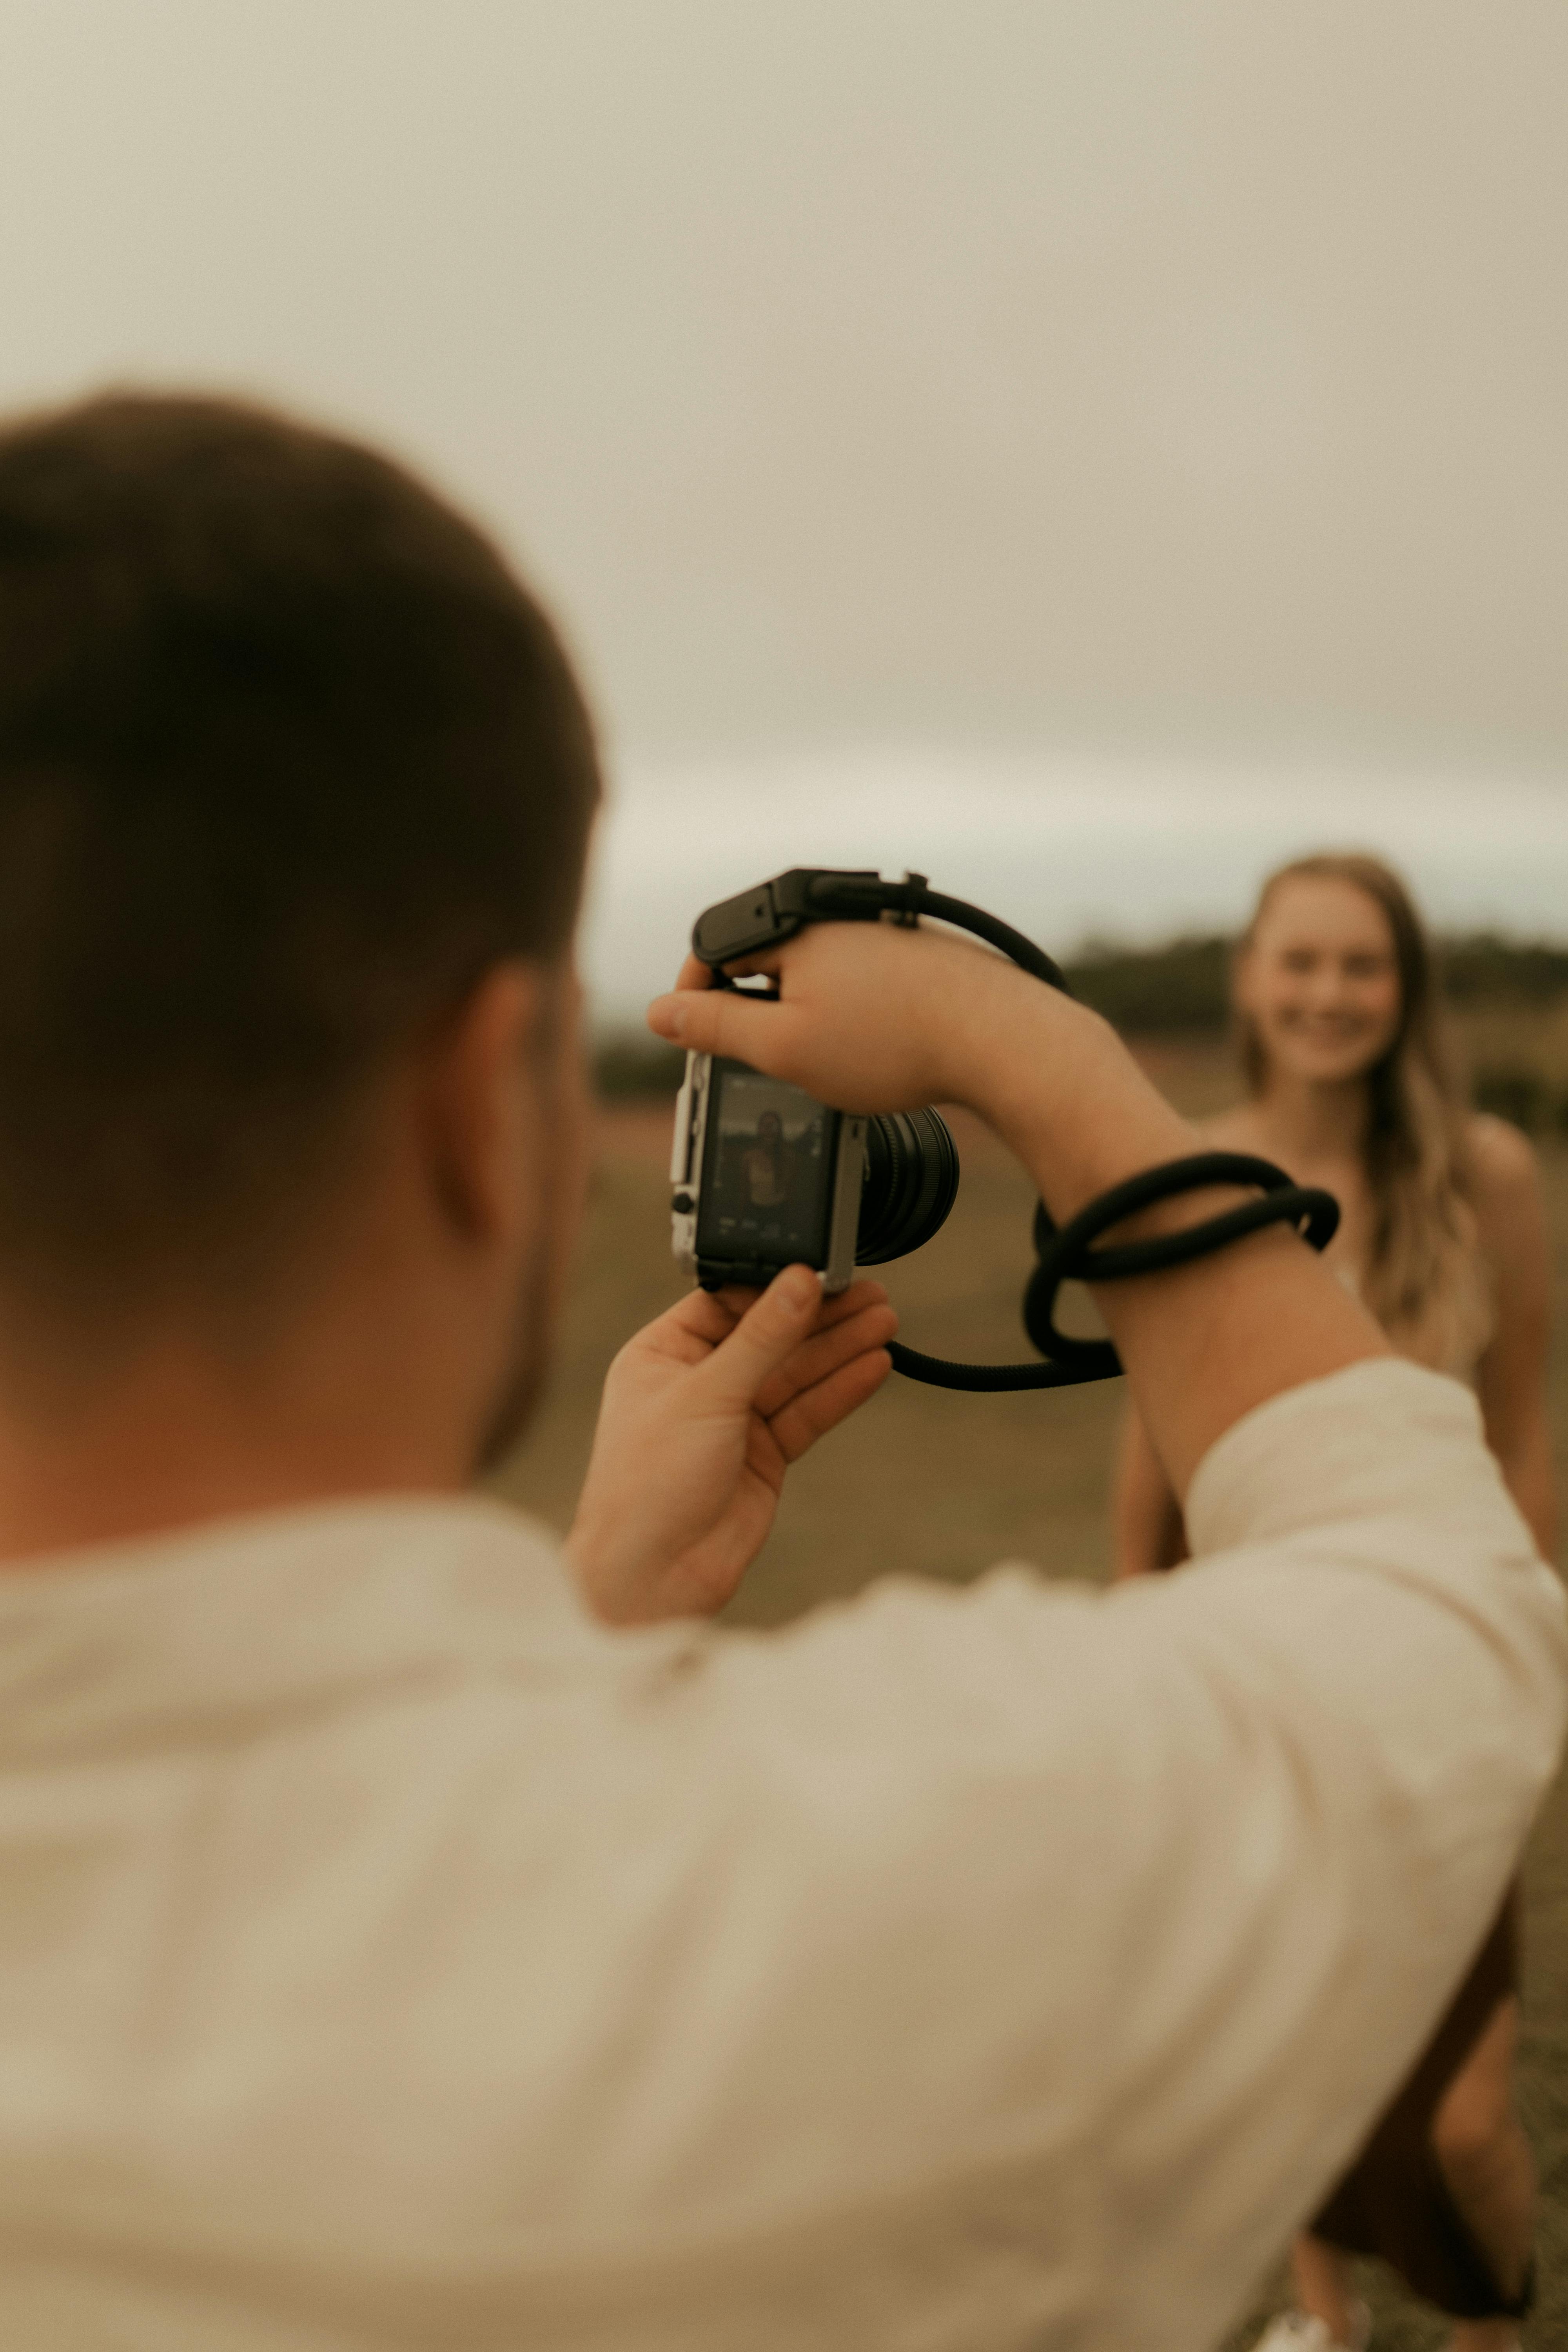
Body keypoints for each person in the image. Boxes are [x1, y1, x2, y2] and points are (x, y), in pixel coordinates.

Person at [0, 394, 1561, 2352]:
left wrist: (591, 1611)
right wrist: (1027, 1052)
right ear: (488, 1112)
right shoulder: (885, 1889)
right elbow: (1434, 1605)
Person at [1113, 853, 1555, 2352]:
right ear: (1247, 978)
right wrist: (1141, 1656)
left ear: (1403, 987)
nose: (1324, 993)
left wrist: (1514, 1634)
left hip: (1440, 1676)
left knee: (1466, 2116)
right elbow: (1151, 1455)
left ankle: (1492, 2336)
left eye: (1358, 964)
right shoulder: (1192, 1174)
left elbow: (1525, 1427)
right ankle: (1326, 2327)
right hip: (1258, 1678)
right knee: (1291, 2050)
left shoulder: (1484, 1173)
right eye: (1297, 961)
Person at [741, 1106, 796, 1206]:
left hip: (779, 1212)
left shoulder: (788, 1157)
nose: (769, 1130)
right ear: (760, 1129)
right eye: (765, 1126)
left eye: (773, 1126)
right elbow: (744, 1191)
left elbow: (791, 1192)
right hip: (754, 1211)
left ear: (779, 1130)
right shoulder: (749, 1157)